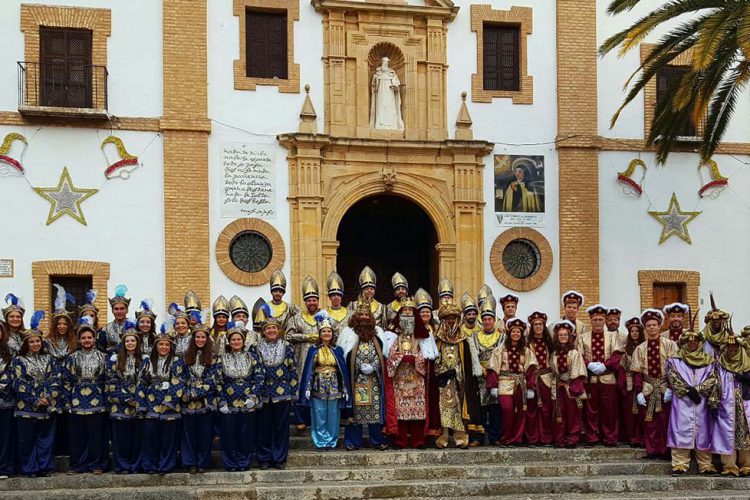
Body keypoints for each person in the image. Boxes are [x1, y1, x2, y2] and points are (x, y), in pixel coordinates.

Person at [666, 316, 720, 476]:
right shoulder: (675, 361)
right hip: (682, 401)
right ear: (684, 343)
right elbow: (673, 378)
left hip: (702, 401)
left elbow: (713, 378)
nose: (692, 344)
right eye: (688, 341)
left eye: (695, 341)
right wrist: (688, 391)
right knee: (681, 429)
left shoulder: (709, 361)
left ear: (699, 343)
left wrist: (699, 389)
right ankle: (679, 464)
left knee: (703, 431)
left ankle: (705, 464)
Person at [386, 290, 438, 449]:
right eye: (404, 313)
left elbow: (429, 357)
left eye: (410, 313)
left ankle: (418, 440)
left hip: (417, 377)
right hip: (400, 377)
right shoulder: (393, 334)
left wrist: (417, 359)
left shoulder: (423, 335)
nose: (407, 315)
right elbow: (389, 355)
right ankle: (400, 440)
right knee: (400, 411)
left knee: (418, 411)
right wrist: (400, 358)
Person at [338, 300, 392, 451]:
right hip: (356, 380)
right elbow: (344, 356)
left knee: (375, 411)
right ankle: (353, 441)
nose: (363, 317)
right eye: (360, 314)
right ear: (356, 315)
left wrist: (373, 366)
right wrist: (357, 367)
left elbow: (382, 355)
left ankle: (377, 440)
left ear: (371, 317)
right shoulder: (348, 333)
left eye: (366, 315)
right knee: (356, 412)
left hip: (373, 379)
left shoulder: (378, 333)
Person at [12, 311, 61, 477]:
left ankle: (44, 467)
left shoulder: (50, 359)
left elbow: (56, 379)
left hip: (47, 405)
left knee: (45, 440)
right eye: (31, 341)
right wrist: (35, 399)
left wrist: (47, 397)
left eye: (37, 341)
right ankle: (29, 468)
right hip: (26, 406)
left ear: (42, 342)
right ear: (27, 343)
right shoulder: (19, 360)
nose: (35, 344)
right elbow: (18, 382)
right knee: (26, 440)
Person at [60, 316, 108, 474]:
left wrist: (107, 400)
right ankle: (78, 465)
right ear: (79, 340)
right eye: (83, 338)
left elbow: (108, 380)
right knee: (77, 436)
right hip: (76, 399)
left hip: (97, 399)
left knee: (96, 435)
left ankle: (97, 465)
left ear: (94, 339)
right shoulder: (71, 358)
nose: (87, 340)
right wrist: (67, 402)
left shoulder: (104, 358)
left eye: (89, 337)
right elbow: (66, 381)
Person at [431, 302, 482, 449]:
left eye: (453, 318)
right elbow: (435, 358)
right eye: (448, 318)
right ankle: (444, 436)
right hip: (443, 378)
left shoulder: (464, 338)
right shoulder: (438, 338)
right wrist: (441, 371)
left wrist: (463, 374)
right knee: (444, 407)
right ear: (443, 320)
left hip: (461, 378)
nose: (451, 321)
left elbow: (469, 359)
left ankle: (461, 437)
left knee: (460, 407)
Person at [136, 324, 185, 475]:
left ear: (171, 346)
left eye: (167, 345)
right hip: (151, 403)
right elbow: (141, 384)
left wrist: (168, 402)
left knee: (168, 439)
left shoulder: (177, 361)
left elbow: (179, 382)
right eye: (161, 344)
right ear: (155, 346)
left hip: (170, 405)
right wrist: (142, 404)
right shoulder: (147, 362)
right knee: (150, 437)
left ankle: (166, 465)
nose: (164, 347)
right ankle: (150, 465)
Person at [299, 310, 352, 450]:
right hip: (318, 384)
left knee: (334, 414)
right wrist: (307, 387)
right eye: (324, 331)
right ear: (320, 334)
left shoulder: (338, 350)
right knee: (319, 413)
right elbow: (309, 370)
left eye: (329, 331)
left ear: (332, 334)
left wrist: (345, 388)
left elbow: (342, 371)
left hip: (335, 385)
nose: (326, 334)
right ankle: (321, 441)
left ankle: (332, 440)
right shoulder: (313, 349)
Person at [215, 321, 264, 471]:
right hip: (228, 402)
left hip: (248, 400)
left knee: (246, 433)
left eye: (239, 339)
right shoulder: (222, 358)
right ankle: (230, 463)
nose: (236, 342)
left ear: (243, 341)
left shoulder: (252, 357)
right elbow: (217, 380)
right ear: (229, 342)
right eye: (233, 339)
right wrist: (221, 400)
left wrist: (254, 396)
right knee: (229, 434)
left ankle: (244, 462)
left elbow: (259, 376)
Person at [631, 309, 678, 460]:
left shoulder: (670, 345)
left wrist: (671, 389)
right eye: (649, 325)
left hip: (665, 387)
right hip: (648, 387)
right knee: (649, 420)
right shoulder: (640, 348)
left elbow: (675, 368)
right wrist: (638, 391)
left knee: (665, 420)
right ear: (645, 328)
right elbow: (637, 372)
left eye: (654, 325)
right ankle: (651, 450)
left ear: (659, 326)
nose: (651, 327)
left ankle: (665, 450)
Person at [256, 305, 297, 470]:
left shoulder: (287, 346)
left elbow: (292, 370)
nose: (271, 330)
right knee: (264, 427)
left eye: (274, 328)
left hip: (283, 393)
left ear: (278, 330)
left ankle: (279, 458)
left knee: (281, 427)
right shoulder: (256, 347)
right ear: (263, 331)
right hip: (264, 393)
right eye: (268, 328)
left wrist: (294, 391)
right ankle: (264, 458)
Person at [576, 304, 622, 447]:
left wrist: (605, 365)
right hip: (590, 379)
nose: (598, 322)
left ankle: (609, 437)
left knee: (609, 410)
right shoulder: (582, 338)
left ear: (605, 320)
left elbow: (617, 355)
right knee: (590, 410)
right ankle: (592, 437)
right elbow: (578, 356)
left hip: (608, 378)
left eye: (601, 319)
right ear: (591, 321)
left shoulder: (613, 336)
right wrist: (588, 364)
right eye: (595, 320)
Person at [487, 318, 538, 446]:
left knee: (521, 411)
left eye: (518, 332)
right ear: (509, 334)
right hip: (504, 383)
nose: (516, 334)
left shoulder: (526, 351)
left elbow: (531, 368)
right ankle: (506, 438)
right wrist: (493, 386)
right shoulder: (500, 349)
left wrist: (531, 387)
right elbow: (493, 367)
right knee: (507, 409)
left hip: (521, 383)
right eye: (513, 332)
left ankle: (517, 438)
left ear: (521, 334)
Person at [105, 321, 147, 474]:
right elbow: (111, 383)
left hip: (139, 403)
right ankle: (122, 466)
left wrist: (137, 398)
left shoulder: (145, 361)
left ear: (137, 342)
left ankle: (135, 465)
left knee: (137, 438)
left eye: (133, 340)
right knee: (120, 439)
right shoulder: (114, 361)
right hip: (120, 405)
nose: (130, 343)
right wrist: (126, 398)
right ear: (123, 343)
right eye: (127, 340)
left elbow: (146, 382)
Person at [286, 275, 322, 429]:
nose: (312, 302)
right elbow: (288, 335)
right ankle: (301, 419)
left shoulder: (323, 317)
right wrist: (307, 337)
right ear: (305, 302)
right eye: (309, 300)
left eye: (314, 299)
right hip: (301, 358)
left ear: (318, 301)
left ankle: (316, 418)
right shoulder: (296, 318)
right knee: (301, 385)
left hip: (320, 357)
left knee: (318, 386)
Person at [712, 330, 750, 476]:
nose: (732, 350)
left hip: (745, 405)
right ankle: (729, 465)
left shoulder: (748, 365)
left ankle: (746, 465)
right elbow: (715, 384)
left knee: (745, 434)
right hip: (725, 406)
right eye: (729, 348)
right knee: (727, 434)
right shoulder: (719, 365)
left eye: (735, 348)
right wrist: (713, 403)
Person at [181, 314, 216, 473]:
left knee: (204, 434)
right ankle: (190, 462)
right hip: (187, 400)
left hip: (205, 401)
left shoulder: (213, 358)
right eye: (197, 337)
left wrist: (196, 391)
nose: (200, 340)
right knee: (188, 434)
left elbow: (214, 380)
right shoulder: (184, 357)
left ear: (207, 339)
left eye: (203, 337)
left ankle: (202, 462)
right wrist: (186, 393)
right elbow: (179, 377)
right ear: (193, 338)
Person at [46, 285, 76, 457]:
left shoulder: (74, 342)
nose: (62, 326)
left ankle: (68, 450)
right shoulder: (47, 342)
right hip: (52, 383)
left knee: (68, 417)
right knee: (54, 416)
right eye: (59, 323)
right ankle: (55, 451)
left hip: (70, 383)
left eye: (65, 323)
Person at [470, 294, 503, 446]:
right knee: (480, 408)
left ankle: (495, 436)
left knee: (495, 407)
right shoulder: (475, 337)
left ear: (494, 320)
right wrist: (480, 369)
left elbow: (503, 355)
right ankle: (479, 437)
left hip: (496, 376)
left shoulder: (502, 337)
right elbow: (474, 355)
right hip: (480, 377)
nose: (487, 321)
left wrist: (494, 370)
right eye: (485, 319)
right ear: (481, 321)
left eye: (490, 319)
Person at [549, 320, 587, 448]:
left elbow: (578, 369)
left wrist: (574, 386)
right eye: (560, 335)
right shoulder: (554, 353)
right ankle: (559, 439)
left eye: (565, 335)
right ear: (557, 336)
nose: (563, 337)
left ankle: (572, 439)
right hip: (557, 387)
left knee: (573, 415)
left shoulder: (574, 353)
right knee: (559, 413)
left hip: (571, 387)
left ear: (569, 336)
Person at [526, 311, 554, 447]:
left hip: (547, 378)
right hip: (532, 378)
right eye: (535, 324)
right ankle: (533, 438)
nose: (538, 326)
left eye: (540, 324)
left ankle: (546, 437)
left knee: (546, 409)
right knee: (531, 409)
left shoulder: (550, 342)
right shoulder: (527, 343)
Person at [619, 317, 645, 447]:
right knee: (630, 412)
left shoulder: (645, 347)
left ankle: (643, 437)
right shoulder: (625, 349)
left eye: (637, 331)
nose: (635, 333)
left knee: (643, 412)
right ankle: (632, 437)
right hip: (629, 383)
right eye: (632, 331)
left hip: (645, 382)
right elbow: (622, 367)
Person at [369, 56, 404, 131]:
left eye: (386, 62)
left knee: (390, 107)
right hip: (381, 93)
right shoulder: (377, 73)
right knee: (381, 107)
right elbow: (374, 86)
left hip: (390, 93)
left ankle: (393, 125)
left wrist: (396, 87)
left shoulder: (392, 73)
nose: (385, 63)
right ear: (381, 62)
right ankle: (379, 125)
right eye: (384, 62)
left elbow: (396, 83)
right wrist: (375, 83)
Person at [0, 329, 15, 479]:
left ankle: (4, 468)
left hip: (5, 401)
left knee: (5, 437)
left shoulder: (8, 354)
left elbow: (11, 374)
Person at [99, 285, 131, 353]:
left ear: (127, 310)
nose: (119, 311)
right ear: (112, 310)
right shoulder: (105, 329)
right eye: (116, 309)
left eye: (122, 309)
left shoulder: (134, 326)